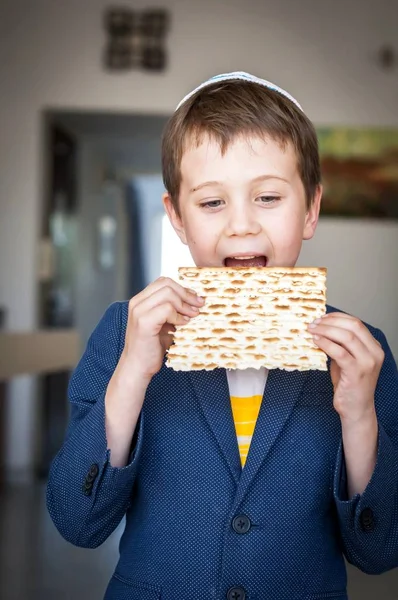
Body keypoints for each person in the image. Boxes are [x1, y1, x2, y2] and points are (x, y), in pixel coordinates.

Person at [46, 72, 398, 600]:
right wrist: (132, 375)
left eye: (268, 198)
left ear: (311, 209)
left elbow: (380, 552)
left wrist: (359, 416)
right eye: (212, 203)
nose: (241, 226)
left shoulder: (361, 355)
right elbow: (78, 521)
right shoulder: (126, 333)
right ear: (178, 219)